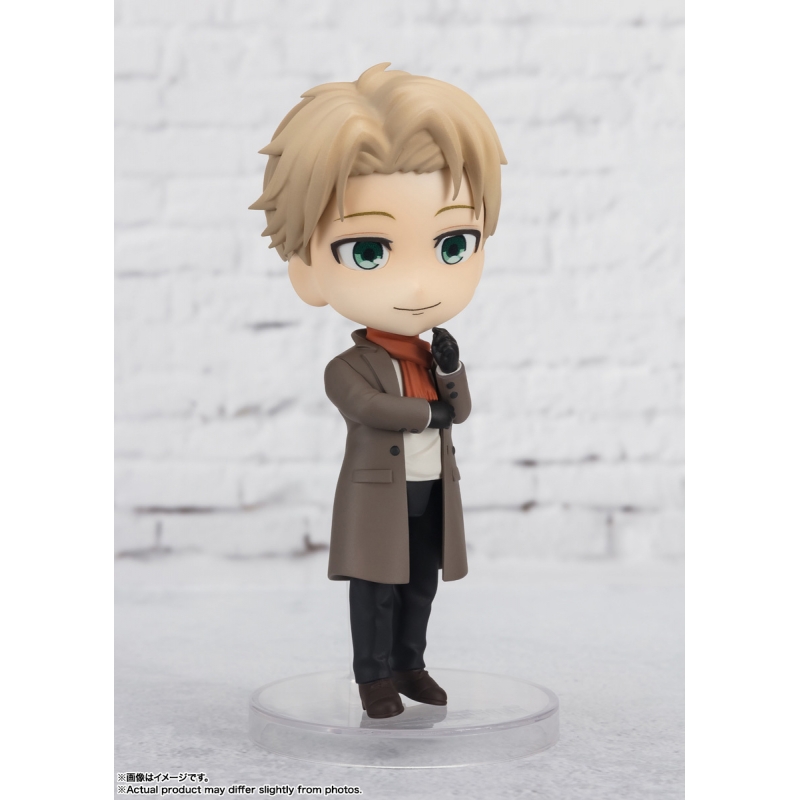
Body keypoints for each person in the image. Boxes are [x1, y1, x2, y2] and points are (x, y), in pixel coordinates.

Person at [251, 63, 506, 718]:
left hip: (431, 493)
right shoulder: (349, 367)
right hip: (378, 500)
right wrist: (431, 411)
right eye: (368, 250)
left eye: (453, 244)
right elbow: (374, 409)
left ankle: (410, 665)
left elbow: (461, 410)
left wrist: (449, 370)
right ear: (307, 272)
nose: (419, 285)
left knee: (421, 586)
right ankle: (373, 677)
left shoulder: (432, 351)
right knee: (376, 591)